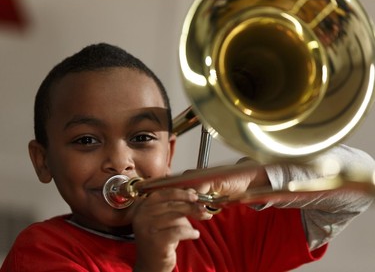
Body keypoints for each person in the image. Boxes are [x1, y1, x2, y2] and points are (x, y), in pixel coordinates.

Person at [1, 43, 374, 272]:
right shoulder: (40, 251)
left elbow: (360, 180)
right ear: (43, 161)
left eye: (142, 137)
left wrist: (249, 178)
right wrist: (153, 265)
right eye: (86, 140)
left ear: (170, 152)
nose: (119, 161)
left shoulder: (217, 230)